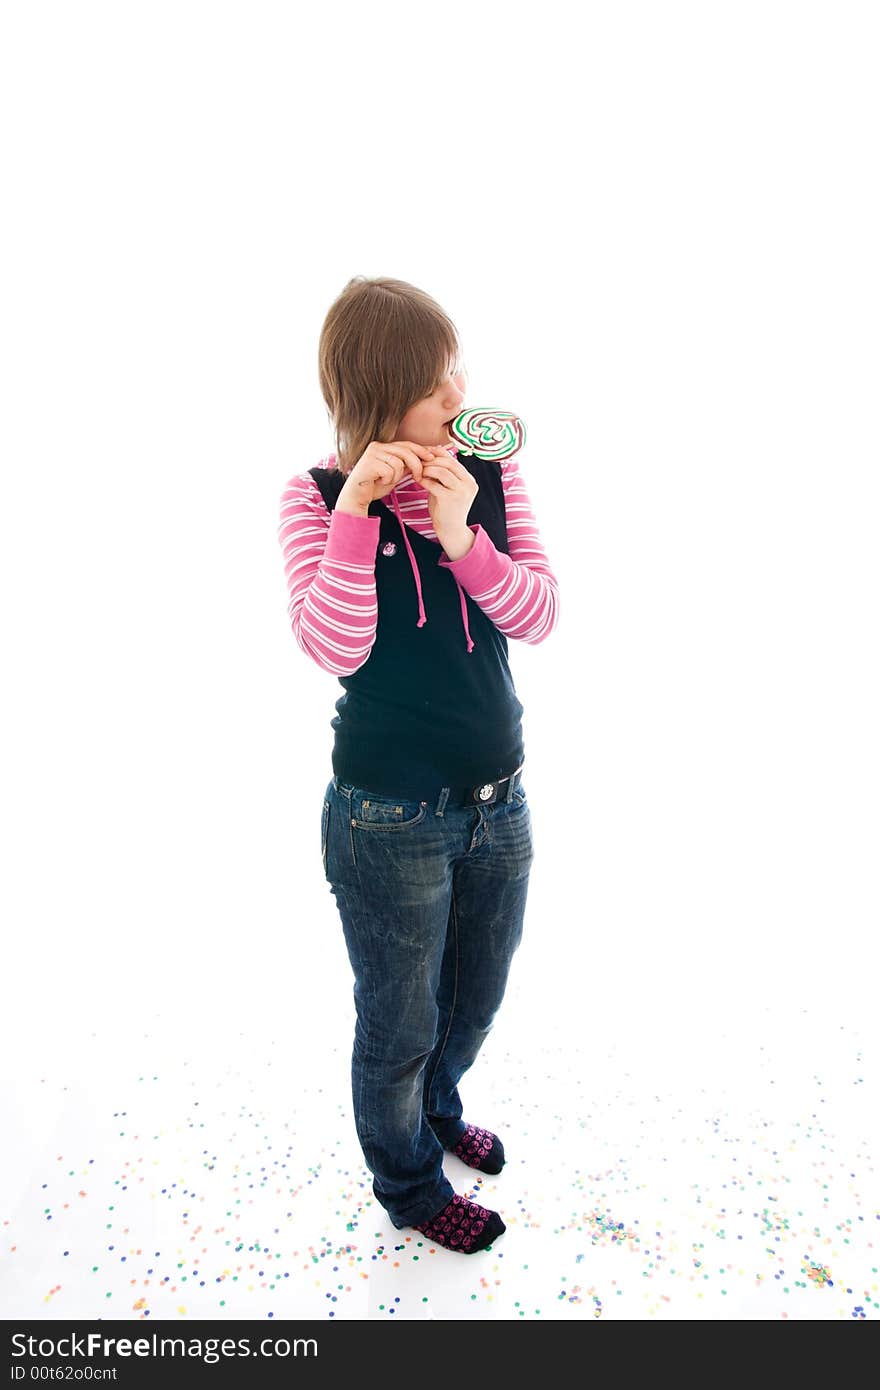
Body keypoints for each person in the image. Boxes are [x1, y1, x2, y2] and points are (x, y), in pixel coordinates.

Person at [277, 276, 560, 1254]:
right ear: (380, 395)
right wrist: (359, 510)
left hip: (499, 800)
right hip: (386, 817)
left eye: (457, 374)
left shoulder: (486, 471)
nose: (459, 395)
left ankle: (438, 1109)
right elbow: (335, 644)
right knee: (397, 1024)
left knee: (474, 999)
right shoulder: (311, 496)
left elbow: (538, 614)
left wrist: (461, 537)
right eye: (437, 384)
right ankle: (405, 1181)